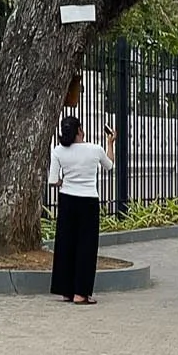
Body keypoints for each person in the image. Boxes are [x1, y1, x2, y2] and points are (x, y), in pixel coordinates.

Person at [48, 113, 115, 303]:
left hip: (67, 199)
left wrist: (64, 182)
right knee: (86, 246)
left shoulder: (58, 151)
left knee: (66, 244)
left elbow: (53, 180)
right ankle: (81, 293)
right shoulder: (95, 149)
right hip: (88, 200)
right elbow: (110, 165)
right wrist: (110, 143)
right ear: (80, 130)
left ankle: (66, 290)